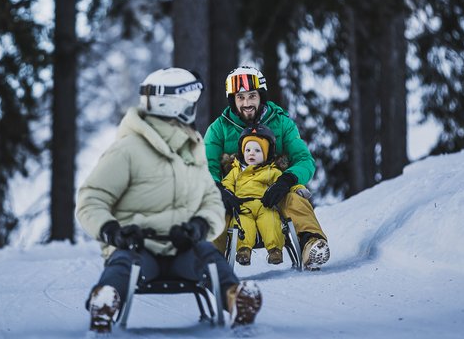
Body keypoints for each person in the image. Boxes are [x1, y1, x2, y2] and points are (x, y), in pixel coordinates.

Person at [76, 67, 262, 334]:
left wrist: (199, 226)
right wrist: (113, 232)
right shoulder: (128, 149)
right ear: (173, 104)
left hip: (182, 246)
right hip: (138, 246)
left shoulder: (192, 147)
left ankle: (236, 299)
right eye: (190, 102)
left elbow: (211, 199)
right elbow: (91, 198)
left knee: (208, 255)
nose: (193, 108)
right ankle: (105, 301)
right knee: (125, 263)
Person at [205, 65, 331, 271]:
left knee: (295, 198)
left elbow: (304, 159)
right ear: (233, 100)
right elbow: (206, 165)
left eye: (252, 96)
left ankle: (311, 243)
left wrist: (287, 180)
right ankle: (210, 259)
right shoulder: (219, 129)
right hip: (235, 192)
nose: (246, 103)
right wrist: (218, 189)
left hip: (274, 188)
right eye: (240, 97)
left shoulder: (281, 123)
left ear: (260, 97)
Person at [222, 124, 297, 266]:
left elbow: (284, 185)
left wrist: (297, 188)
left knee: (271, 221)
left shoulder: (272, 171)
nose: (251, 153)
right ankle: (244, 250)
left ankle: (275, 250)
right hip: (242, 206)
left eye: (257, 150)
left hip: (265, 205)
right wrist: (227, 194)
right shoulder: (236, 171)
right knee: (242, 224)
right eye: (248, 150)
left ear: (266, 154)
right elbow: (227, 184)